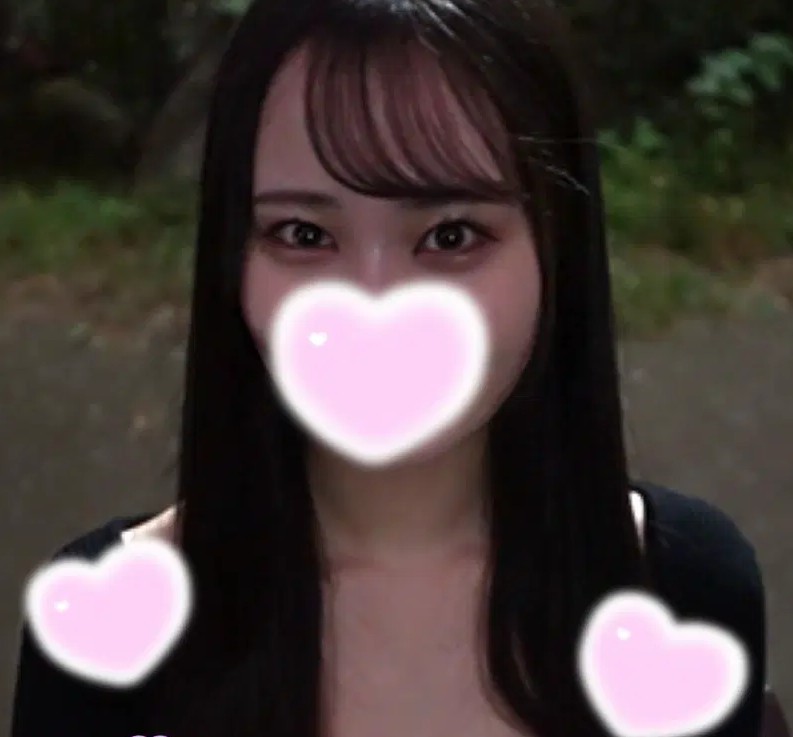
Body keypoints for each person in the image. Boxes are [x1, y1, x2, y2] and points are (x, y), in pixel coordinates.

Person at [10, 1, 766, 736]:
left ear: (555, 248)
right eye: (304, 234)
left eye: (450, 235)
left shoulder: (683, 586)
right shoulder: (106, 632)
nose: (371, 307)